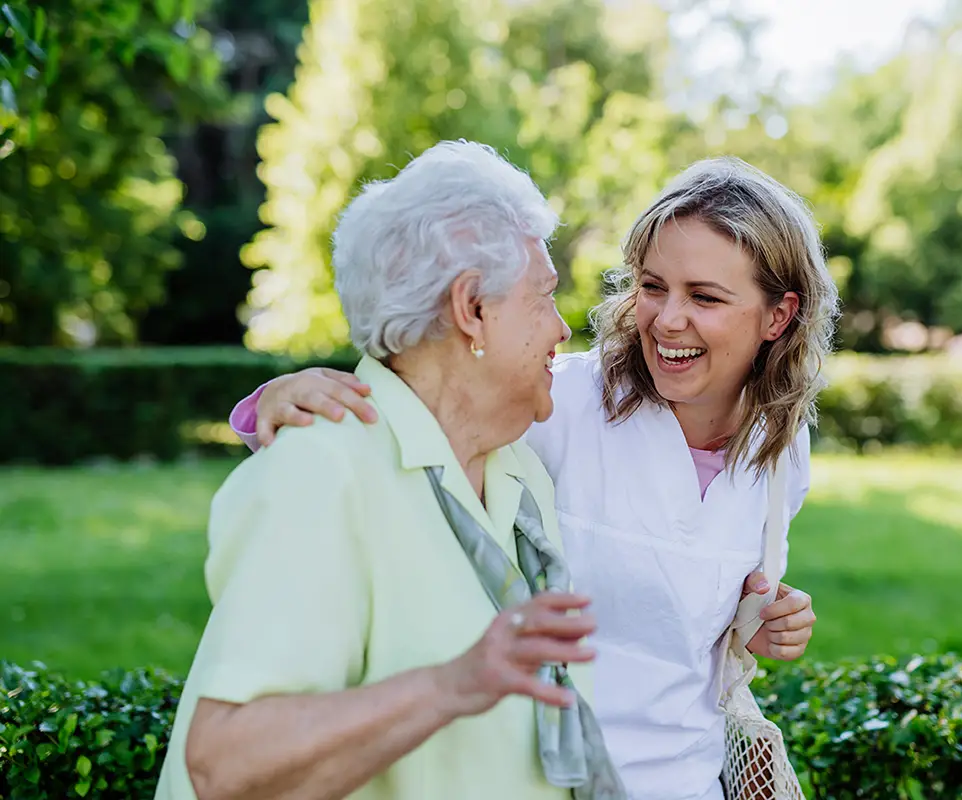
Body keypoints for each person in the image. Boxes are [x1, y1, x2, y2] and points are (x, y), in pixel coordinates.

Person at [228, 156, 836, 799]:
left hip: (689, 781)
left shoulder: (780, 448)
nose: (666, 319)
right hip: (551, 781)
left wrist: (760, 620)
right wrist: (287, 399)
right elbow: (413, 420)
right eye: (653, 286)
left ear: (778, 316)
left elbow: (697, 613)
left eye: (705, 297)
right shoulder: (559, 401)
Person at [154, 141, 626, 800]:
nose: (561, 329)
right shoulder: (321, 470)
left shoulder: (518, 474)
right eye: (544, 296)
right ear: (471, 309)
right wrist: (457, 682)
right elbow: (226, 763)